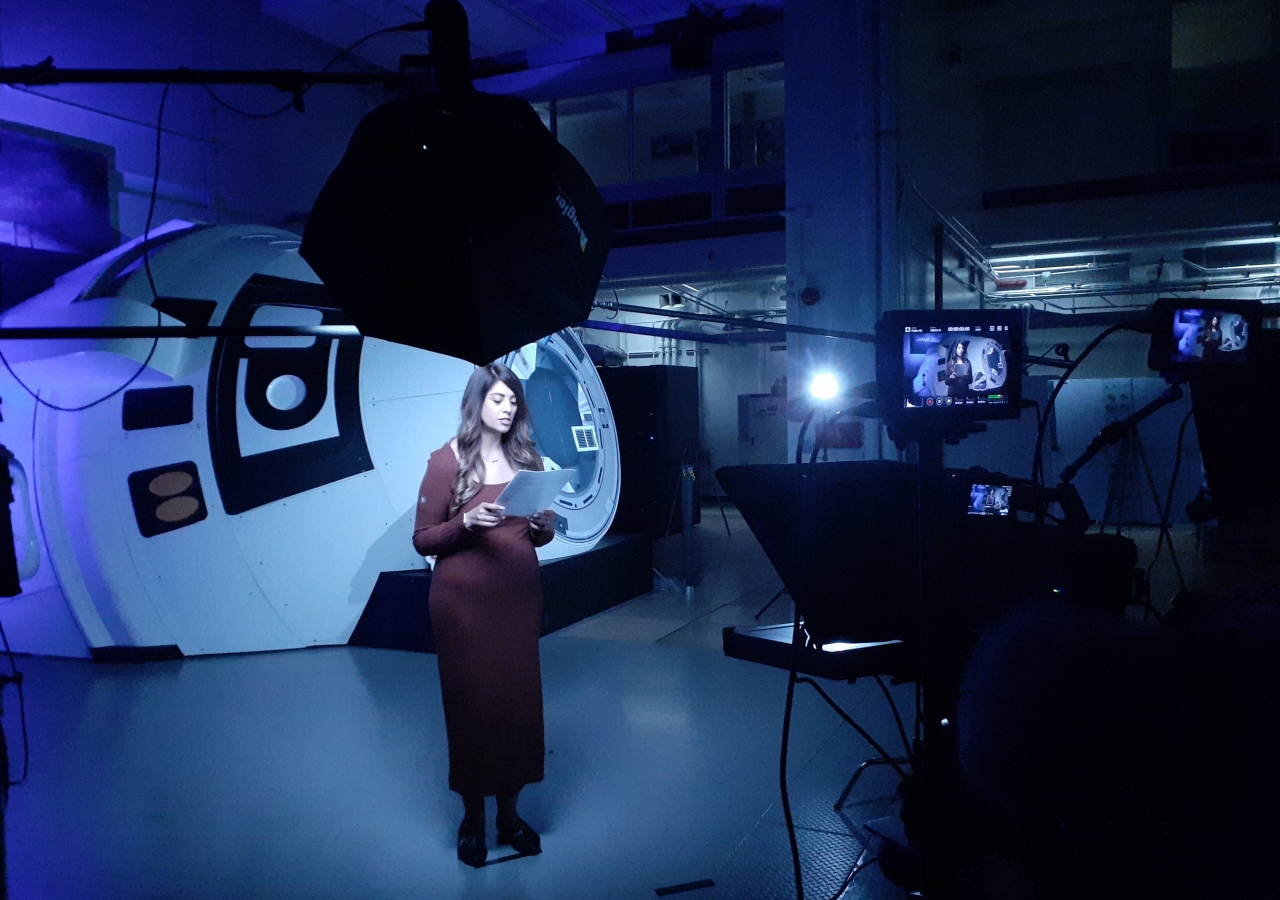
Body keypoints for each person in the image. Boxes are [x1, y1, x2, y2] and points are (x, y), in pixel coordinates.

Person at [412, 364, 557, 867]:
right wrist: (467, 523)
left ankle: (510, 815)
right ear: (477, 403)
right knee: (472, 706)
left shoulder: (528, 459)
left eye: (513, 400)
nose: (508, 407)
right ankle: (473, 818)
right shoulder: (446, 459)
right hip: (463, 606)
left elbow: (540, 537)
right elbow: (423, 539)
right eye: (498, 399)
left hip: (517, 600)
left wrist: (543, 526)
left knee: (518, 705)